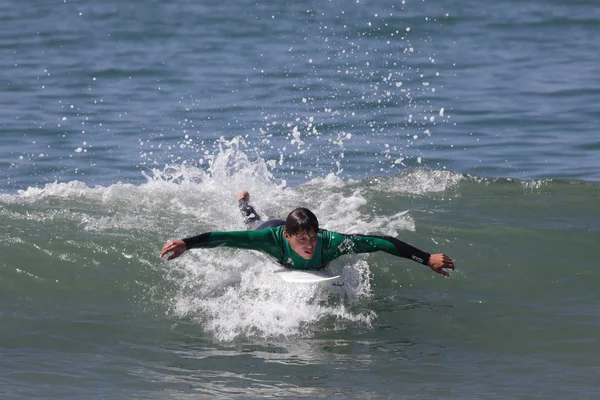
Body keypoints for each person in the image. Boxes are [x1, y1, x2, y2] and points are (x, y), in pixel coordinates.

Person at [160, 191, 455, 276]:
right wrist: (187, 243)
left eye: (312, 236)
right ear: (288, 238)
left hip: (288, 223)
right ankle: (244, 201)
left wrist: (426, 258)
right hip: (268, 226)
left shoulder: (331, 243)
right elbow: (223, 237)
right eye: (302, 239)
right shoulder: (270, 241)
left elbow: (381, 242)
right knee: (251, 220)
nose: (310, 244)